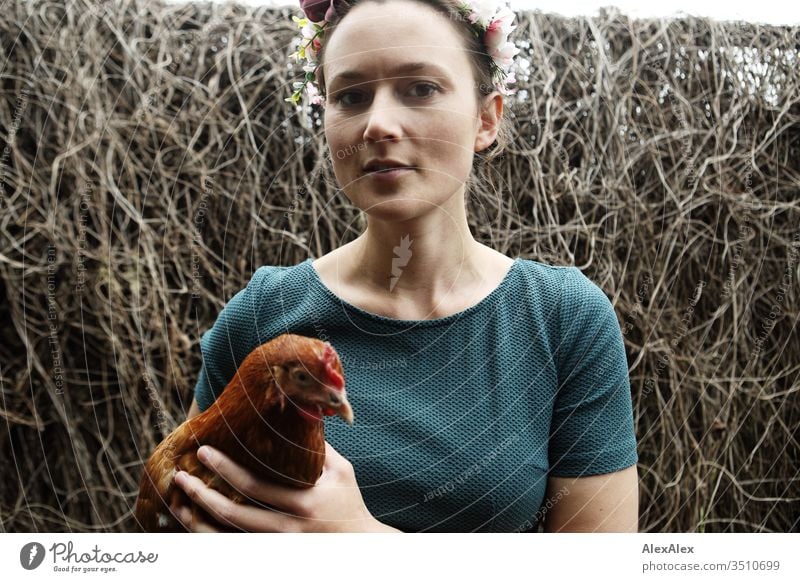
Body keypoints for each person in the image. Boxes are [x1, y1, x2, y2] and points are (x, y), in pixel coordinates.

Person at [170, 0, 639, 532]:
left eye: (420, 88)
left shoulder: (562, 322)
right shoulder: (263, 316)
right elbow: (191, 519)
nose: (378, 124)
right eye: (350, 96)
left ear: (486, 118)